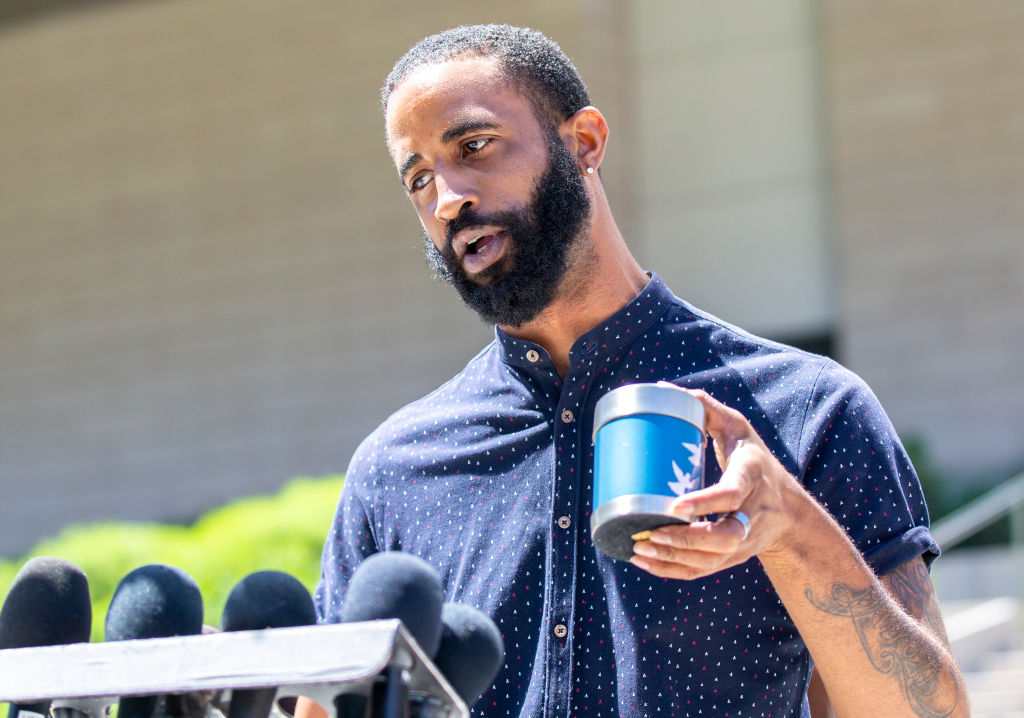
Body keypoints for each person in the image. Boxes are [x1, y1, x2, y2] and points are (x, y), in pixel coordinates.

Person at [312, 24, 966, 718]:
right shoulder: (394, 471)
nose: (447, 200)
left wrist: (794, 532)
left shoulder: (810, 411)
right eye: (418, 178)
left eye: (473, 146)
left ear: (584, 142)